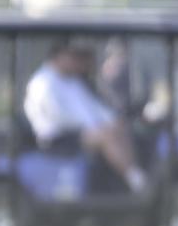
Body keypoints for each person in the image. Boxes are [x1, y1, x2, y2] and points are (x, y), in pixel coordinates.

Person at [23, 41, 147, 193]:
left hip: (83, 132)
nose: (76, 61)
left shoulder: (72, 81)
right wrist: (98, 127)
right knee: (107, 135)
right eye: (72, 56)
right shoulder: (42, 82)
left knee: (119, 128)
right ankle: (136, 180)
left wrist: (113, 120)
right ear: (59, 56)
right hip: (57, 137)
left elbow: (93, 107)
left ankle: (132, 176)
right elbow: (58, 116)